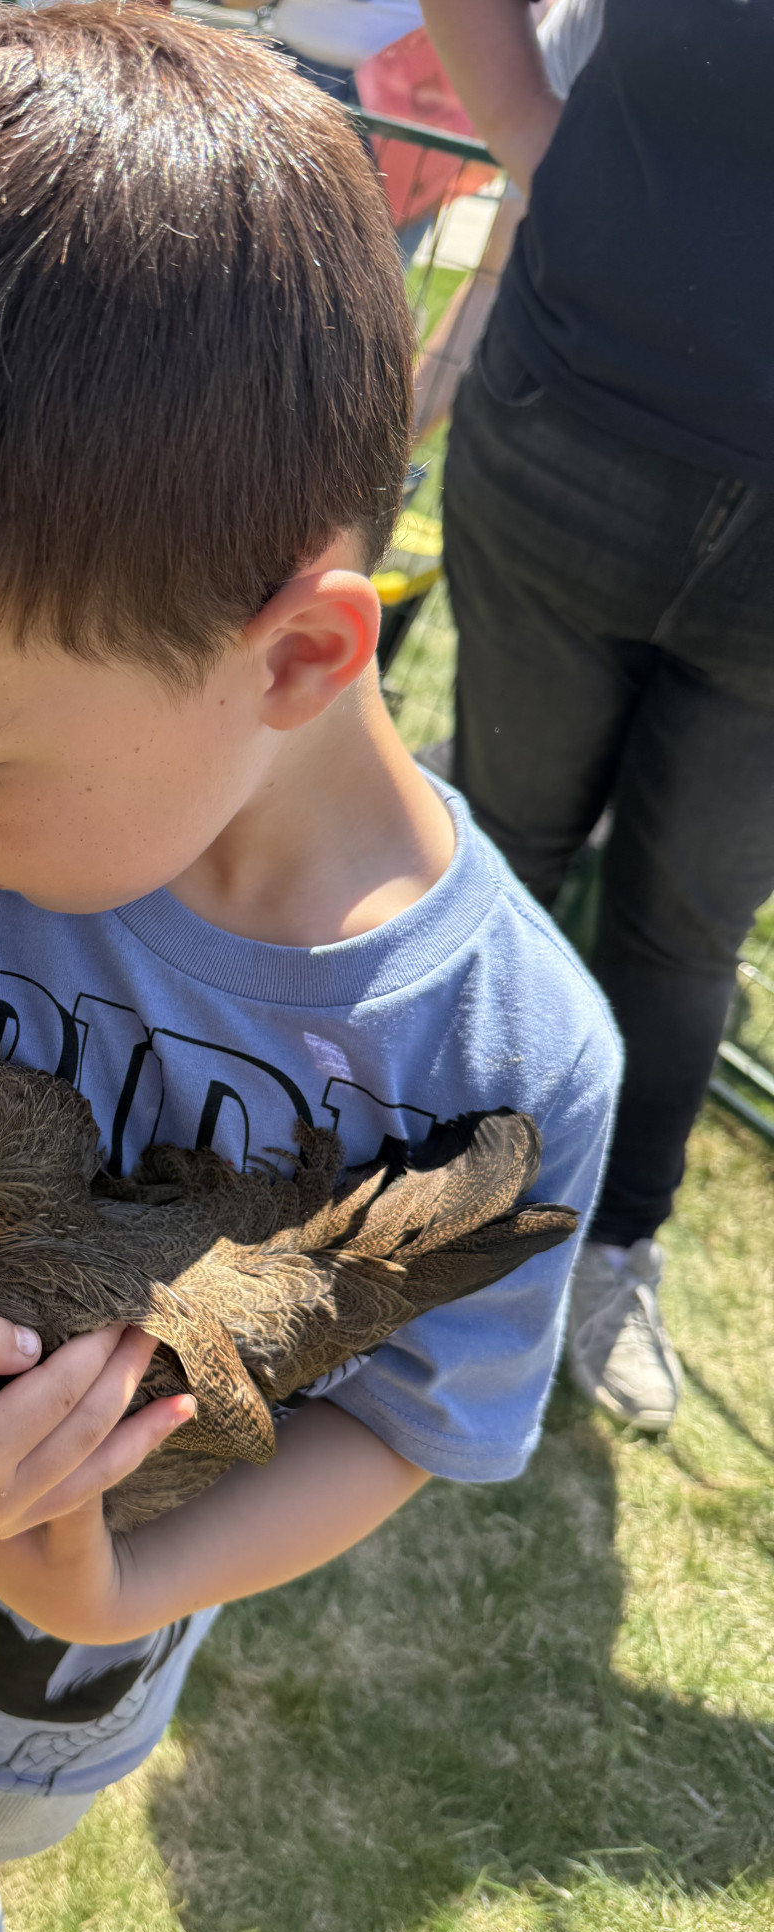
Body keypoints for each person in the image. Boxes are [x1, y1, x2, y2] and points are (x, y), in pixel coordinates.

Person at [0, 10, 619, 1932]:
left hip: (79, 1634)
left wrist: (106, 1584)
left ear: (293, 658)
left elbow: (409, 1419)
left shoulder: (511, 1051)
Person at [419, 0, 774, 1433]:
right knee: (499, 854)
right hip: (573, 438)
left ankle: (613, 1243)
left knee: (686, 930)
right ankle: (429, 1205)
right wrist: (527, 130)